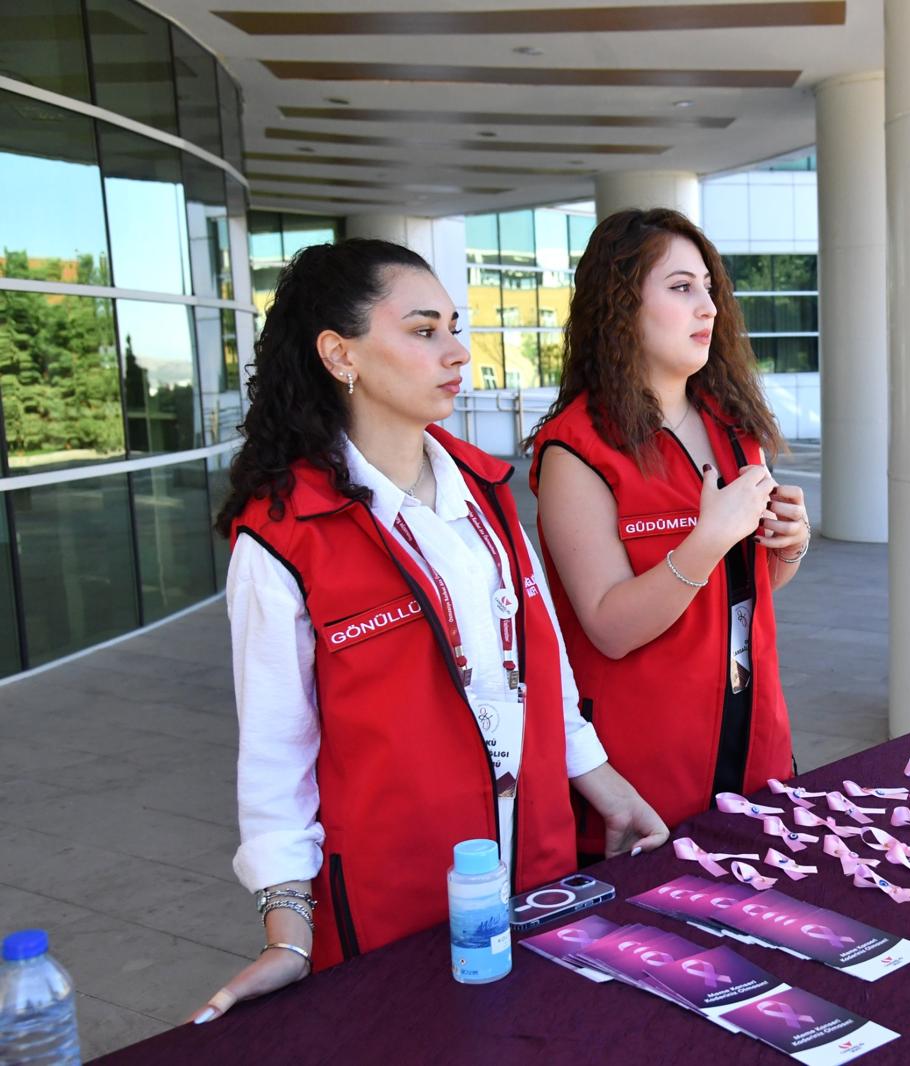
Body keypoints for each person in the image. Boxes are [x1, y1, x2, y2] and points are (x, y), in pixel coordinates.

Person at [194, 239, 667, 1023]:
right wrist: (289, 934)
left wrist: (604, 786)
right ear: (339, 354)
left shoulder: (485, 489)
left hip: (538, 858)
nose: (456, 351)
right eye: (423, 331)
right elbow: (276, 758)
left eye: (456, 325)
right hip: (396, 898)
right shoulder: (283, 537)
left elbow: (538, 656)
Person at [527, 208, 808, 856]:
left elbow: (753, 588)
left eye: (709, 288)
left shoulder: (733, 426)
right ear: (621, 304)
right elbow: (609, 626)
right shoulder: (577, 450)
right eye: (681, 287)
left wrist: (787, 545)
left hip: (756, 748)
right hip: (645, 779)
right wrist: (708, 538)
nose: (707, 307)